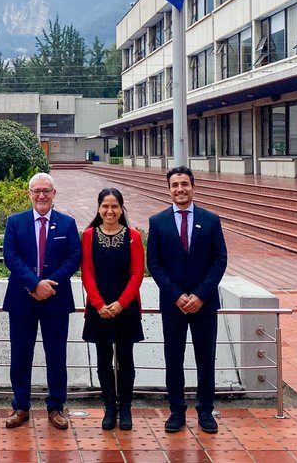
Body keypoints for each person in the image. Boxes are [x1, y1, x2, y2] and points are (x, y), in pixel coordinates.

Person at [146, 166, 228, 435]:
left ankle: (205, 411)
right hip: (173, 304)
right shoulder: (157, 222)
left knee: (206, 359)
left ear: (193, 186)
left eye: (184, 184)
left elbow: (220, 260)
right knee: (174, 358)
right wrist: (177, 295)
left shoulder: (211, 219)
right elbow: (155, 264)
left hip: (204, 304)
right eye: (174, 185)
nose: (180, 189)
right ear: (168, 189)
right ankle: (176, 411)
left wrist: (201, 295)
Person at [1, 172, 81, 430]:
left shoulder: (67, 224)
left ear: (54, 194)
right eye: (36, 191)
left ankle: (56, 407)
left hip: (55, 299)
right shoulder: (15, 222)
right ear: (29, 194)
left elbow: (73, 258)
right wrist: (34, 284)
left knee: (56, 355)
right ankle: (20, 406)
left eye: (46, 190)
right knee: (20, 355)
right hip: (22, 298)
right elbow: (11, 257)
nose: (41, 195)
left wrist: (49, 285)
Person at [80, 187, 145, 431]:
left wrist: (121, 303)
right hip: (99, 309)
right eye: (105, 206)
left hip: (125, 308)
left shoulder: (133, 236)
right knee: (103, 361)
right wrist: (99, 303)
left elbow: (138, 273)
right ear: (99, 208)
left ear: (121, 209)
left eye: (114, 206)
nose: (109, 211)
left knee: (126, 360)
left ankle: (125, 407)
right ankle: (109, 407)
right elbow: (86, 271)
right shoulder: (88, 235)